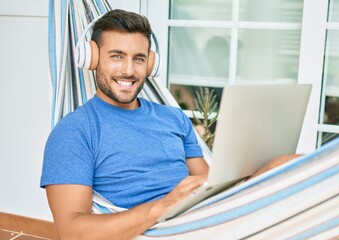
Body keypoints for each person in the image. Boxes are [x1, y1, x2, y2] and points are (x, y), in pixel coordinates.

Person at [40, 9, 299, 240]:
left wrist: (247, 170)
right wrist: (163, 206)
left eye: (139, 59)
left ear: (150, 63)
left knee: (288, 163)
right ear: (93, 59)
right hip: (158, 228)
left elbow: (205, 182)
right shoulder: (74, 132)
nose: (128, 71)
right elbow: (71, 231)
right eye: (117, 56)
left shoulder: (172, 117)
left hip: (201, 218)